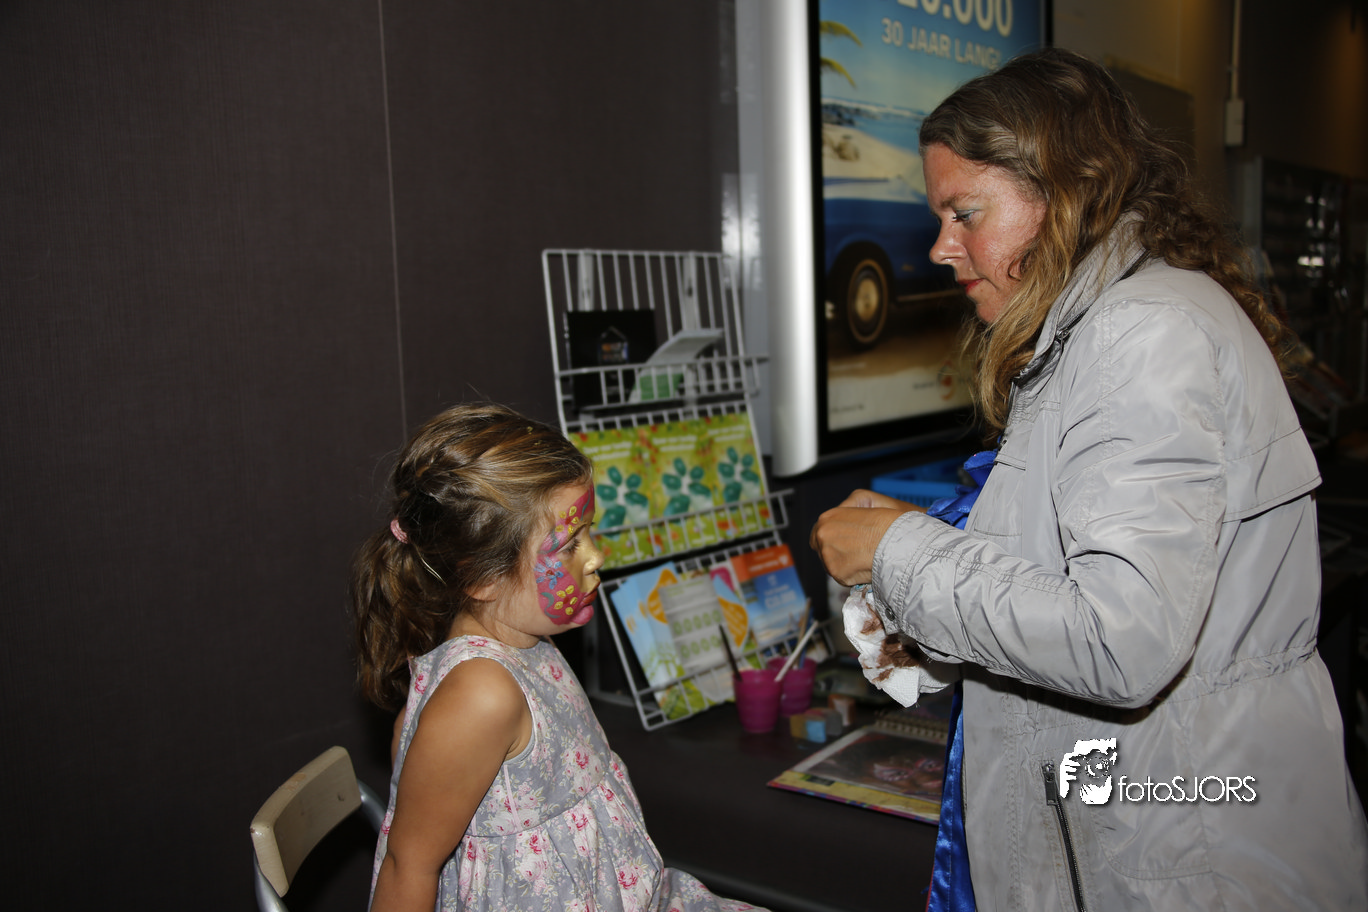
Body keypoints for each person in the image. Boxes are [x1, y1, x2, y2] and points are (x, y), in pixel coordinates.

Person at [810, 48, 1368, 911]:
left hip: (1186, 849)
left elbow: (1120, 639)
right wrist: (922, 563)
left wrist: (902, 551)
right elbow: (1074, 578)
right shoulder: (1102, 327)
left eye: (965, 213)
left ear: (1065, 192)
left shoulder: (1141, 334)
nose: (942, 248)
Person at [352, 403, 764, 912]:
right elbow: (408, 865)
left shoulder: (530, 643)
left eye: (589, 532)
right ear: (482, 577)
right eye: (570, 544)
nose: (596, 556)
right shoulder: (480, 694)